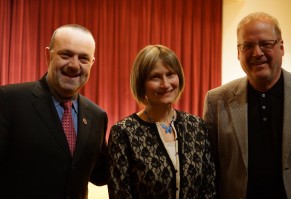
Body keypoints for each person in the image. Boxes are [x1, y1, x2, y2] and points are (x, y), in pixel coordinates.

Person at [0, 24, 108, 198]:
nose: (74, 65)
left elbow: (100, 174)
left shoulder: (97, 116)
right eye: (66, 55)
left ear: (92, 63)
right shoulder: (8, 101)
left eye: (83, 58)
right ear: (48, 55)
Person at [203, 12, 291, 199]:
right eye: (247, 46)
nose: (257, 53)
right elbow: (210, 171)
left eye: (265, 44)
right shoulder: (216, 101)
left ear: (281, 47)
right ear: (238, 53)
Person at [107, 44, 216, 198]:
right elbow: (120, 194)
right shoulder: (124, 132)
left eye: (170, 74)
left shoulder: (197, 126)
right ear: (141, 84)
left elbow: (209, 187)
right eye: (155, 77)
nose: (165, 84)